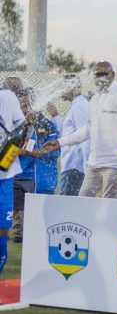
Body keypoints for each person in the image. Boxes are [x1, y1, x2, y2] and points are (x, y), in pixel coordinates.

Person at [41, 62, 117, 199]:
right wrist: (60, 142)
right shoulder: (95, 99)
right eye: (97, 75)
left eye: (104, 74)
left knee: (110, 205)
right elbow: (88, 129)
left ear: (113, 74)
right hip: (93, 164)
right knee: (83, 203)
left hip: (114, 164)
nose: (100, 78)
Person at [12, 90, 59, 243]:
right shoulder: (16, 124)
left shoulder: (46, 125)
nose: (25, 108)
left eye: (28, 104)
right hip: (17, 174)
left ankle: (36, 231)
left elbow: (54, 150)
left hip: (36, 177)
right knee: (17, 206)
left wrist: (39, 153)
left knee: (34, 208)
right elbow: (8, 149)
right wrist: (26, 152)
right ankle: (18, 233)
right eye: (22, 105)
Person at [0, 88, 25, 275]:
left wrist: (9, 154)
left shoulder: (7, 97)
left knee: (3, 228)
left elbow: (23, 128)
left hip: (4, 177)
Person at [58, 75, 90, 196]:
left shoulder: (80, 106)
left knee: (66, 205)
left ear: (74, 88)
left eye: (63, 86)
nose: (61, 89)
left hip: (74, 167)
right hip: (71, 165)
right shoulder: (77, 105)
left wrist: (87, 169)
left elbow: (85, 138)